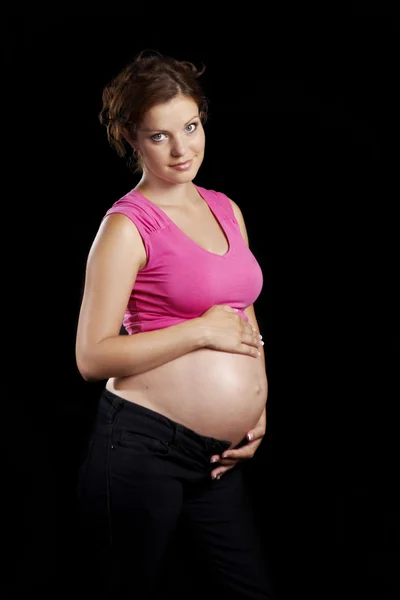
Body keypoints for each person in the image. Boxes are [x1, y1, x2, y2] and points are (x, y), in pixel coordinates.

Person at [75, 49, 276, 599]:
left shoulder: (225, 208)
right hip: (142, 448)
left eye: (190, 127)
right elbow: (91, 357)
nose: (183, 148)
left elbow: (244, 318)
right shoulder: (125, 227)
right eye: (160, 135)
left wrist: (257, 410)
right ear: (131, 138)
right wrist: (197, 332)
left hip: (215, 457)